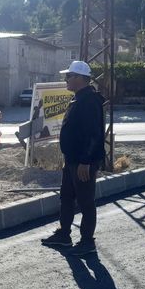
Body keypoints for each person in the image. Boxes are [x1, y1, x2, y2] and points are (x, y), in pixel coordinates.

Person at [41, 61, 105, 256]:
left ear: (79, 78)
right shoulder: (79, 98)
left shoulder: (89, 101)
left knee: (85, 201)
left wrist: (86, 161)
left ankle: (87, 241)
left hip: (82, 161)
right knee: (67, 197)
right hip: (72, 160)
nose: (66, 79)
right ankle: (64, 235)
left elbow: (94, 134)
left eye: (68, 76)